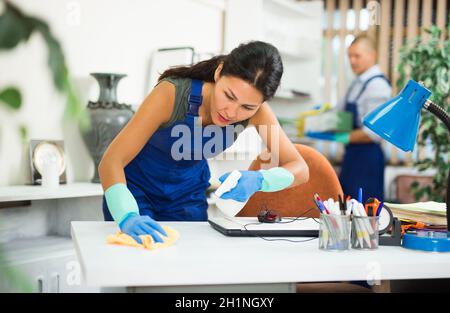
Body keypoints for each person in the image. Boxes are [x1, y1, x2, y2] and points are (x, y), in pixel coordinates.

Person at [99, 41, 310, 244]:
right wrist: (127, 215)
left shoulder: (259, 113)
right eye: (228, 95)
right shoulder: (171, 94)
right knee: (141, 263)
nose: (232, 112)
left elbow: (300, 169)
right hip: (135, 192)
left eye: (247, 107)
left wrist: (260, 179)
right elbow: (111, 161)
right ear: (219, 73)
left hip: (187, 199)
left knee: (188, 268)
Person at [307, 34, 392, 203]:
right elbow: (339, 112)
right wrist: (317, 120)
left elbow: (373, 134)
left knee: (366, 213)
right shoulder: (357, 83)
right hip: (352, 157)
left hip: (368, 159)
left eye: (357, 56)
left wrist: (340, 137)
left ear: (372, 55)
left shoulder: (378, 86)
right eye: (349, 56)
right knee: (347, 207)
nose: (352, 61)